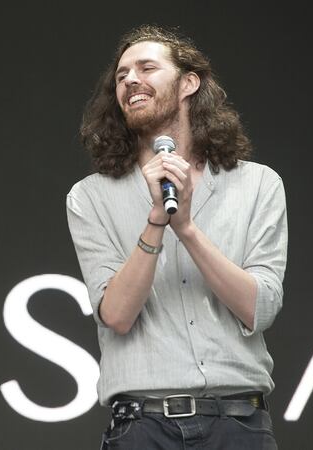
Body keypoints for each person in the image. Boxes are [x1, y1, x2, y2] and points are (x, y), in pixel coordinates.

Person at [66, 25, 287, 449]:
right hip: (141, 426)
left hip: (239, 423)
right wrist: (156, 221)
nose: (130, 79)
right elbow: (116, 315)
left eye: (147, 67)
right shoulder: (90, 196)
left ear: (189, 83)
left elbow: (260, 308)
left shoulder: (258, 184)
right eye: (121, 75)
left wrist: (185, 228)